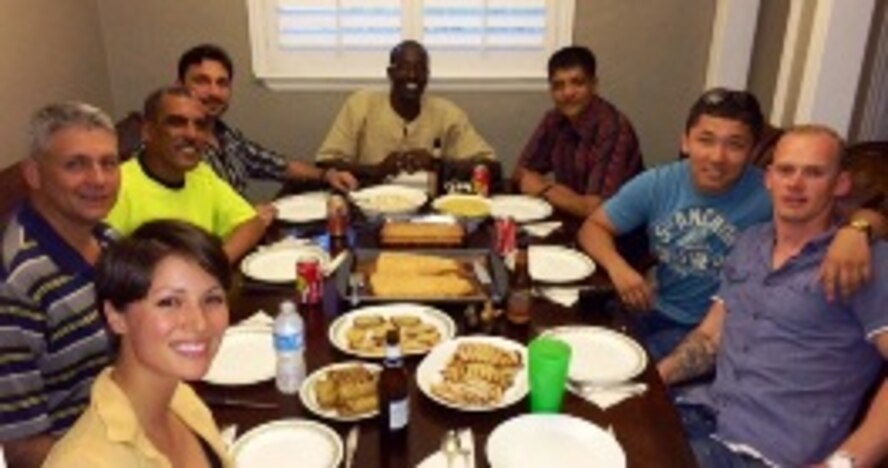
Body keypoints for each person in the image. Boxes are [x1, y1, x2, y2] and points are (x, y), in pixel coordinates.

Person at [578, 88, 881, 360]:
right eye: (705, 140)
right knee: (580, 342)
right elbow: (592, 228)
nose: (717, 157)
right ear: (685, 141)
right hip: (657, 308)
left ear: (752, 153)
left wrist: (858, 230)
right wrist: (619, 268)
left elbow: (850, 212)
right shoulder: (658, 183)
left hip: (720, 331)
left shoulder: (775, 191)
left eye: (735, 145)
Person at [658, 125, 888, 467]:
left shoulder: (866, 260)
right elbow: (710, 337)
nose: (795, 183)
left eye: (813, 173)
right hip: (702, 413)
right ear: (769, 178)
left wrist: (844, 464)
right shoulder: (750, 242)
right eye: (786, 170)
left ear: (840, 183)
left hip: (765, 453)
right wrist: (649, 381)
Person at [44, 219, 234, 467]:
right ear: (116, 317)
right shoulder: (84, 461)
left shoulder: (180, 397)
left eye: (212, 299)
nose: (199, 323)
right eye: (169, 302)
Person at [0, 102, 119, 467]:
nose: (98, 179)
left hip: (129, 421)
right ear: (33, 174)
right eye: (75, 164)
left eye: (108, 163)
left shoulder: (108, 238)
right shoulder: (16, 285)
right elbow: (23, 450)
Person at [106, 86, 266, 263]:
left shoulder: (201, 174)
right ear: (148, 131)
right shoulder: (116, 185)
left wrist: (216, 265)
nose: (192, 134)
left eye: (200, 125)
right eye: (177, 123)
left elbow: (252, 224)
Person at [176, 43, 357, 195]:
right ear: (180, 85)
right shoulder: (173, 146)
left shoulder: (226, 137)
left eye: (222, 83)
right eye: (202, 81)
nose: (214, 92)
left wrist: (326, 175)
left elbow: (275, 165)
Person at [315, 40, 496, 181]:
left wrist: (437, 164)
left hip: (430, 206)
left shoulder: (447, 113)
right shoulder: (361, 105)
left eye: (420, 69)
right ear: (390, 73)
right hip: (371, 205)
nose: (412, 75)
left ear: (427, 76)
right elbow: (324, 163)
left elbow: (492, 166)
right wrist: (377, 170)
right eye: (404, 68)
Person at [514, 45, 644, 218]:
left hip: (617, 230)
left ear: (594, 85)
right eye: (559, 85)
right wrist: (564, 197)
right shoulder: (554, 119)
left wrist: (545, 188)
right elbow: (521, 173)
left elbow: (596, 209)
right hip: (572, 219)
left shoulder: (614, 129)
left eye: (577, 83)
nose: (568, 93)